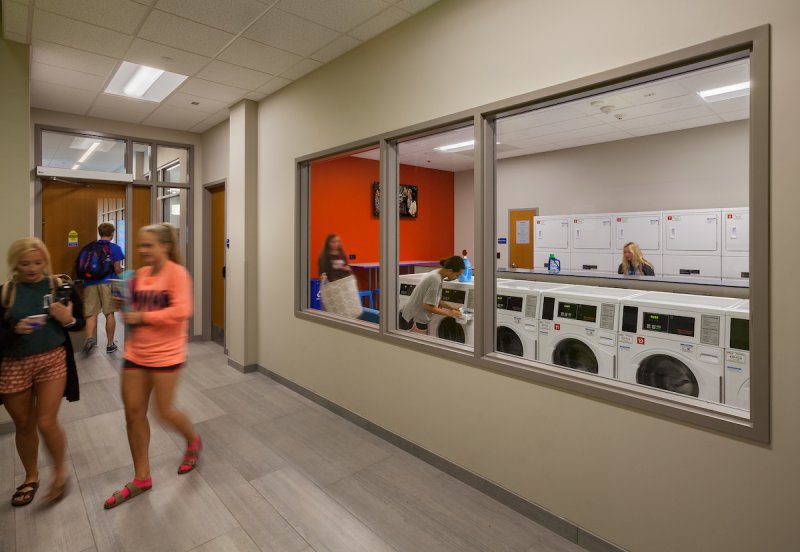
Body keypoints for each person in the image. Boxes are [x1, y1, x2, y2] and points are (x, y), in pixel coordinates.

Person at [104, 224, 199, 509]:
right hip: (136, 353)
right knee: (133, 413)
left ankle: (192, 441)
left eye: (149, 245)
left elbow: (182, 311)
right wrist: (123, 304)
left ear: (165, 246)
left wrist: (143, 317)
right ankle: (141, 477)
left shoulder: (177, 274)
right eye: (141, 245)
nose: (143, 250)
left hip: (167, 355)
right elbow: (130, 312)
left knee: (164, 412)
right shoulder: (139, 275)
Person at [0, 238, 85, 506]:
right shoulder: (5, 293)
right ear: (15, 264)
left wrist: (67, 319)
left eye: (38, 262)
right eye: (25, 263)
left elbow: (79, 323)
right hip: (14, 363)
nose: (32, 268)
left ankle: (60, 472)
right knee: (24, 425)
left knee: (46, 421)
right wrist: (14, 329)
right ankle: (31, 476)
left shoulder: (59, 287)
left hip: (52, 359)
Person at [79, 223, 125, 354]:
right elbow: (117, 268)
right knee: (109, 313)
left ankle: (89, 339)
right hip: (107, 282)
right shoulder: (114, 248)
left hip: (90, 283)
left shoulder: (89, 247)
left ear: (99, 232)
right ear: (112, 233)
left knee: (91, 314)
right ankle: (110, 345)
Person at [400, 256, 465, 334]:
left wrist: (451, 308)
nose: (457, 277)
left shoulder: (437, 273)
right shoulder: (435, 280)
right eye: (457, 275)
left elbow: (435, 299)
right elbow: (427, 306)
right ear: (450, 271)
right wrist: (450, 314)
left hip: (411, 316)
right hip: (414, 320)